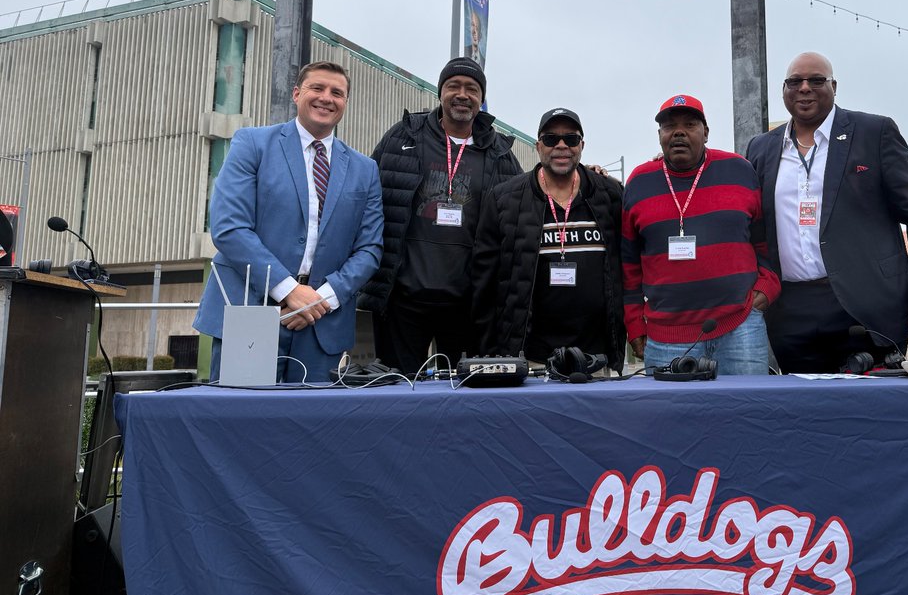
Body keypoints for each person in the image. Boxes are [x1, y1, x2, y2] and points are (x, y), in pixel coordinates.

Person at [745, 51, 908, 373]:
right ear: (784, 90)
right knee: (805, 411)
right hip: (790, 309)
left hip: (865, 304)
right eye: (795, 82)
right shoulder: (761, 147)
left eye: (816, 80)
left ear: (834, 86)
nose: (805, 88)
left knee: (873, 411)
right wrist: (672, 166)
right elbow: (744, 212)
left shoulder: (874, 132)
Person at [194, 61, 384, 382]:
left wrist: (318, 300)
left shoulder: (365, 170)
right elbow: (229, 227)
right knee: (237, 424)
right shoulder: (252, 144)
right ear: (297, 94)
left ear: (345, 103)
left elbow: (369, 250)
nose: (327, 98)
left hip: (321, 324)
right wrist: (289, 291)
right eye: (317, 88)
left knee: (310, 429)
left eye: (337, 93)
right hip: (249, 311)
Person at [360, 58, 522, 374]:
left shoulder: (500, 153)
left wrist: (586, 177)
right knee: (400, 393)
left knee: (463, 397)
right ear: (441, 93)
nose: (462, 95)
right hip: (403, 299)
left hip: (467, 303)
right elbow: (366, 195)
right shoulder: (404, 137)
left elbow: (527, 206)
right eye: (454, 86)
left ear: (481, 98)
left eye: (472, 89)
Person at [622, 94, 780, 375]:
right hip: (667, 339)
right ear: (660, 135)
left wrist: (766, 288)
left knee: (748, 415)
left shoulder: (739, 170)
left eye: (690, 124)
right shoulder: (639, 182)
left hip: (740, 327)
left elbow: (764, 241)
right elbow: (629, 265)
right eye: (670, 126)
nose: (679, 132)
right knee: (672, 419)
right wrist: (634, 323)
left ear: (705, 133)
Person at [472, 107, 625, 373]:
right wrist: (490, 350)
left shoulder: (609, 194)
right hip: (530, 357)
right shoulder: (504, 200)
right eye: (552, 139)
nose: (562, 146)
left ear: (582, 145)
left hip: (594, 358)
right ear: (538, 145)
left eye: (571, 139)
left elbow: (630, 264)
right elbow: (483, 282)